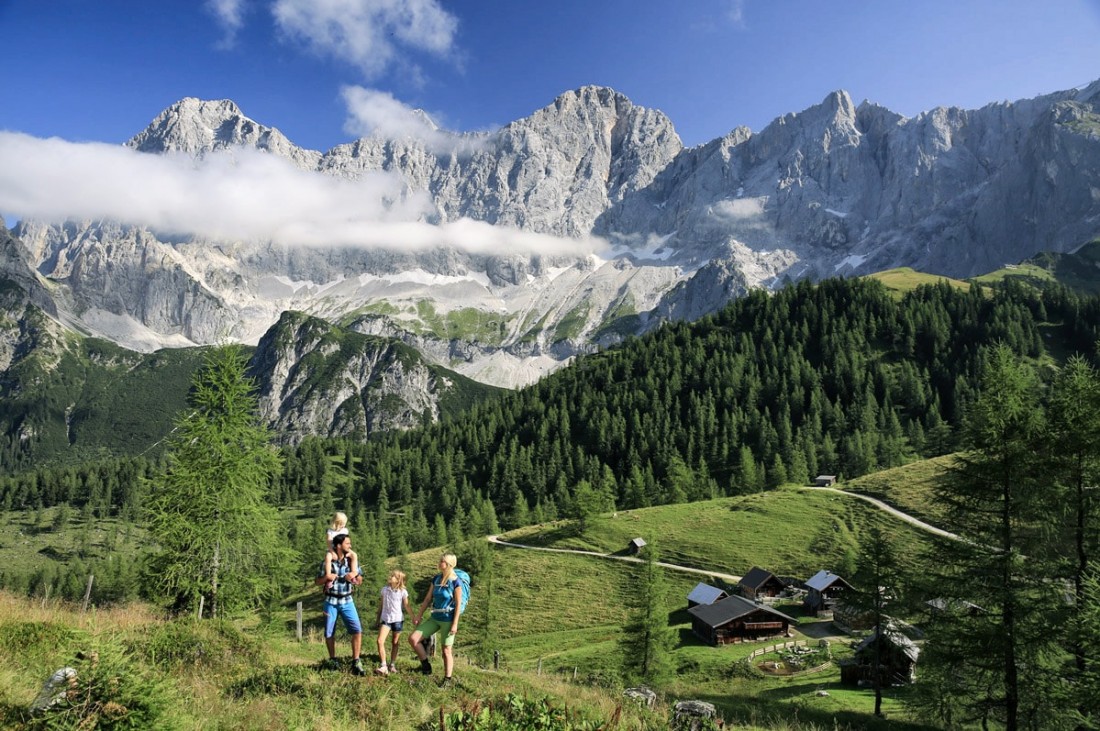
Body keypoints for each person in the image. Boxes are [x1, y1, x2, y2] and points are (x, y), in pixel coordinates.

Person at [409, 553, 462, 688]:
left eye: (442, 561)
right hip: (435, 618)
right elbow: (427, 599)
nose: (439, 563)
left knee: (446, 651)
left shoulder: (456, 582)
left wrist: (455, 624)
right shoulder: (436, 579)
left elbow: (458, 604)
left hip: (448, 620)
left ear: (449, 564)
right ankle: (426, 666)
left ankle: (447, 680)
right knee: (413, 639)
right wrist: (419, 616)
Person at [316, 533, 365, 675]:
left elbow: (360, 580)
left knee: (357, 630)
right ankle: (333, 660)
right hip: (331, 601)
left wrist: (355, 577)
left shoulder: (351, 561)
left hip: (347, 601)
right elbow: (317, 581)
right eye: (347, 544)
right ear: (338, 546)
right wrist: (326, 577)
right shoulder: (327, 562)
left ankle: (356, 661)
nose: (350, 546)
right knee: (329, 633)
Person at [374, 569, 411, 675]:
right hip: (386, 619)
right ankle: (383, 665)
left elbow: (407, 606)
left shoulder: (403, 592)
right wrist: (377, 619)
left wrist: (414, 618)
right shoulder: (384, 590)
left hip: (398, 620)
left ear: (398, 580)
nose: (391, 577)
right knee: (380, 641)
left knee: (395, 642)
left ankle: (392, 664)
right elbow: (381, 605)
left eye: (393, 576)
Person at [323, 512, 358, 593]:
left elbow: (346, 541)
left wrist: (347, 549)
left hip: (343, 549)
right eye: (342, 524)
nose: (344, 525)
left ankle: (353, 573)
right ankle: (328, 577)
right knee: (328, 557)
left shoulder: (345, 530)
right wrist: (332, 552)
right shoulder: (330, 531)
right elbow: (329, 543)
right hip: (334, 548)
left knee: (354, 555)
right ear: (337, 523)